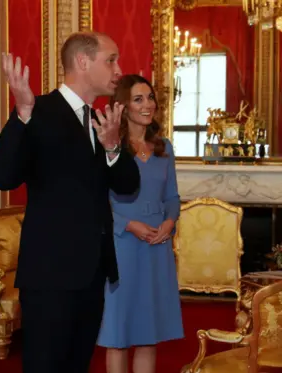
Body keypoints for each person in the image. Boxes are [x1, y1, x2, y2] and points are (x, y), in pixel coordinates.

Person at [0, 32, 140, 373]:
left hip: (92, 274)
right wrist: (22, 113)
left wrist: (114, 146)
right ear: (83, 62)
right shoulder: (36, 110)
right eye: (111, 59)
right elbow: (1, 176)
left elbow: (129, 186)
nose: (118, 69)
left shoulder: (103, 121)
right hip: (49, 277)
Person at [96, 74, 184, 373]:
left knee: (149, 334)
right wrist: (129, 224)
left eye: (150, 98)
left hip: (157, 246)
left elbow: (172, 196)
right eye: (138, 99)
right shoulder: (109, 148)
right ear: (123, 106)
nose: (148, 105)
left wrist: (170, 222)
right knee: (118, 334)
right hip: (122, 246)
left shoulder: (164, 148)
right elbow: (98, 202)